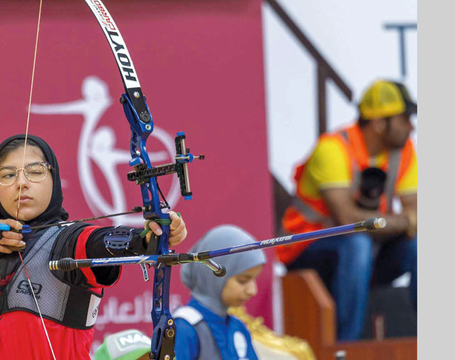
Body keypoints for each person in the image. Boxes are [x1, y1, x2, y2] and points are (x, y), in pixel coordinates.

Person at [0, 134, 187, 360]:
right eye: (7, 175)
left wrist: (153, 236)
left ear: (54, 178)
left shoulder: (71, 241)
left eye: (35, 171)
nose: (21, 183)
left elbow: (113, 242)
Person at [276, 79, 417, 341]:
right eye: (405, 118)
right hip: (307, 250)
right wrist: (405, 221)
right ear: (379, 123)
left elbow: (416, 214)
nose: (411, 126)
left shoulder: (403, 151)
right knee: (357, 243)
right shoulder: (333, 148)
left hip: (364, 255)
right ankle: (346, 347)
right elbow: (348, 219)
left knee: (416, 246)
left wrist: (408, 222)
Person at [173, 225, 265, 360]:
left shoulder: (238, 327)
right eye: (243, 280)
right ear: (213, 275)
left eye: (254, 279)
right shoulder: (183, 328)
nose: (253, 291)